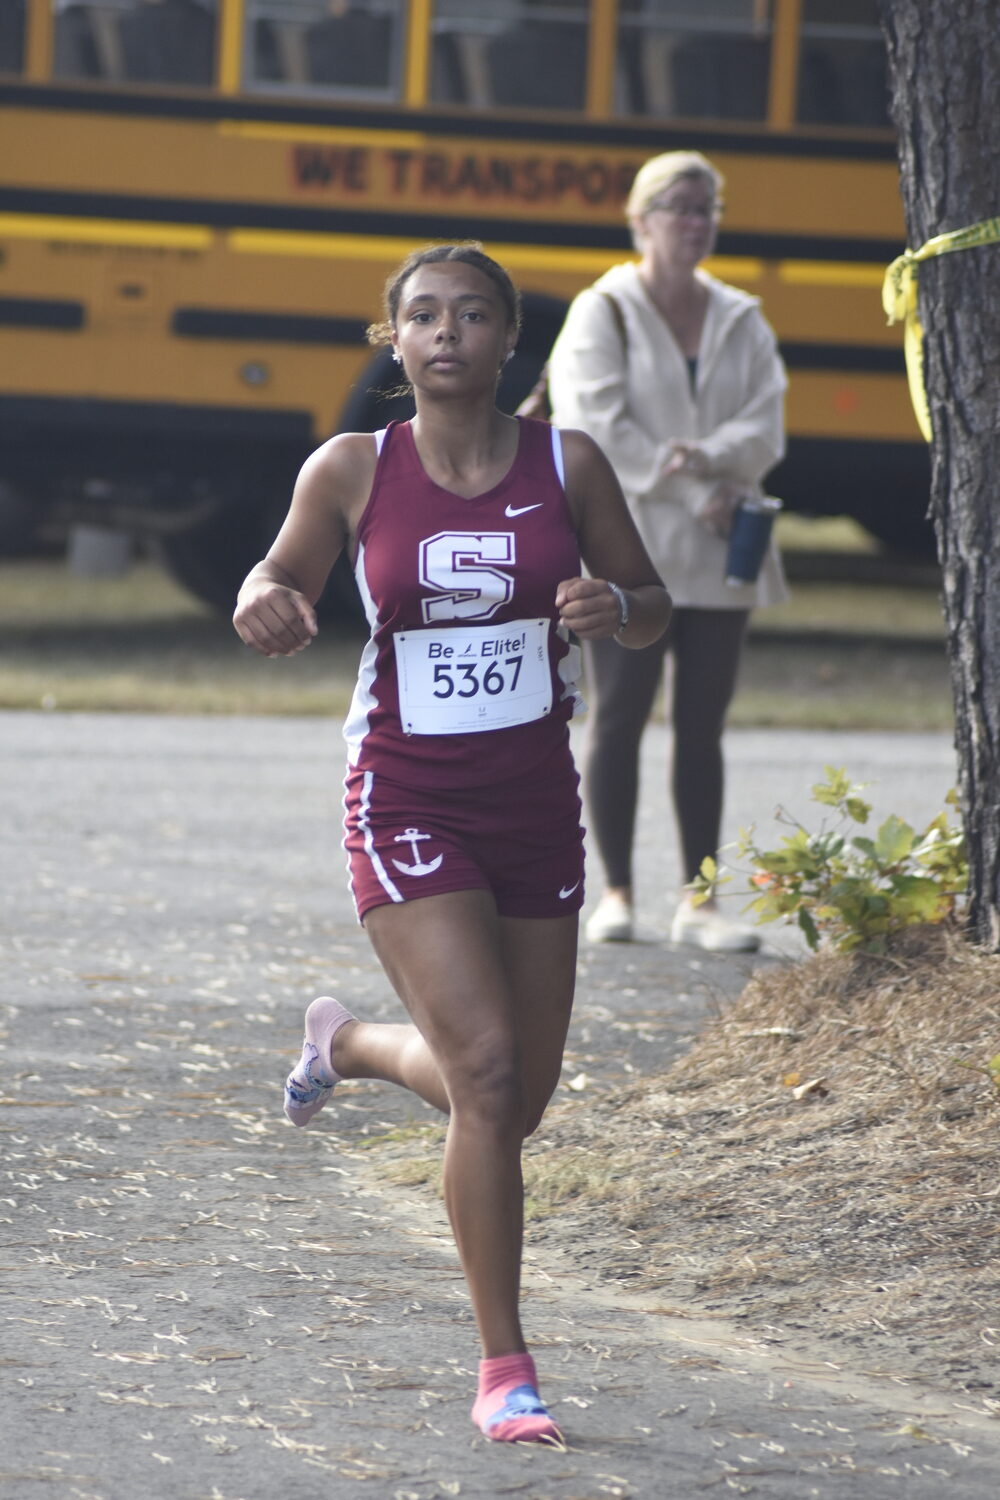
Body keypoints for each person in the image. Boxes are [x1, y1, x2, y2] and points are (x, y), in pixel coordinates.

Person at [232, 243, 670, 1447]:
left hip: (534, 803)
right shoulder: (350, 469)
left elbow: (651, 602)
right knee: (481, 1072)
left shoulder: (566, 463)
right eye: (422, 315)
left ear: (506, 339)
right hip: (406, 797)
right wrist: (261, 600)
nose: (446, 334)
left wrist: (612, 607)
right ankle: (505, 1368)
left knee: (516, 1101)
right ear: (392, 341)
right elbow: (274, 577)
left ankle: (357, 1045)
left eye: (471, 315)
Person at [547, 150, 787, 952]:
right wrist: (694, 488)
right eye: (680, 206)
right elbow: (597, 426)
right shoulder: (602, 310)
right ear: (641, 219)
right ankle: (613, 892)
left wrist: (712, 462)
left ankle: (702, 900)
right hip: (631, 547)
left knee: (703, 726)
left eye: (707, 207)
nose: (696, 221)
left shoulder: (741, 315)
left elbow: (767, 424)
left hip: (724, 551)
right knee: (617, 718)